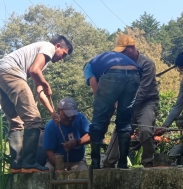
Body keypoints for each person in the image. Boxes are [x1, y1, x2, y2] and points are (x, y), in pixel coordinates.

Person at [0, 35, 73, 173]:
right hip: (11, 72)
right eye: (63, 54)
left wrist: (52, 112)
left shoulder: (39, 57)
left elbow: (39, 91)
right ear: (57, 46)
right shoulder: (49, 47)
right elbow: (34, 71)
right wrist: (46, 84)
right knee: (33, 119)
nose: (62, 59)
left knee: (16, 122)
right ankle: (29, 163)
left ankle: (16, 166)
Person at [102, 35, 159, 168]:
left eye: (124, 51)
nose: (122, 55)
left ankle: (148, 162)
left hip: (146, 102)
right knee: (119, 130)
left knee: (145, 129)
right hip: (128, 102)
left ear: (132, 48)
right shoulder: (121, 65)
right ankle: (108, 163)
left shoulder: (147, 64)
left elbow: (143, 90)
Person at [84, 51, 141, 169]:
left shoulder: (88, 66)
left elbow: (96, 91)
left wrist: (104, 118)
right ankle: (123, 163)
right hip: (135, 74)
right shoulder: (107, 59)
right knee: (124, 121)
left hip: (113, 74)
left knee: (98, 121)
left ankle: (94, 165)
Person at [43, 98, 90, 171]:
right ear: (59, 111)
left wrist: (76, 142)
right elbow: (49, 151)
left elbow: (90, 135)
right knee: (47, 174)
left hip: (78, 162)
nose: (70, 118)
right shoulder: (50, 126)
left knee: (84, 175)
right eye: (67, 115)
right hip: (55, 161)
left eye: (73, 115)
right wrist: (59, 167)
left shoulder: (80, 118)